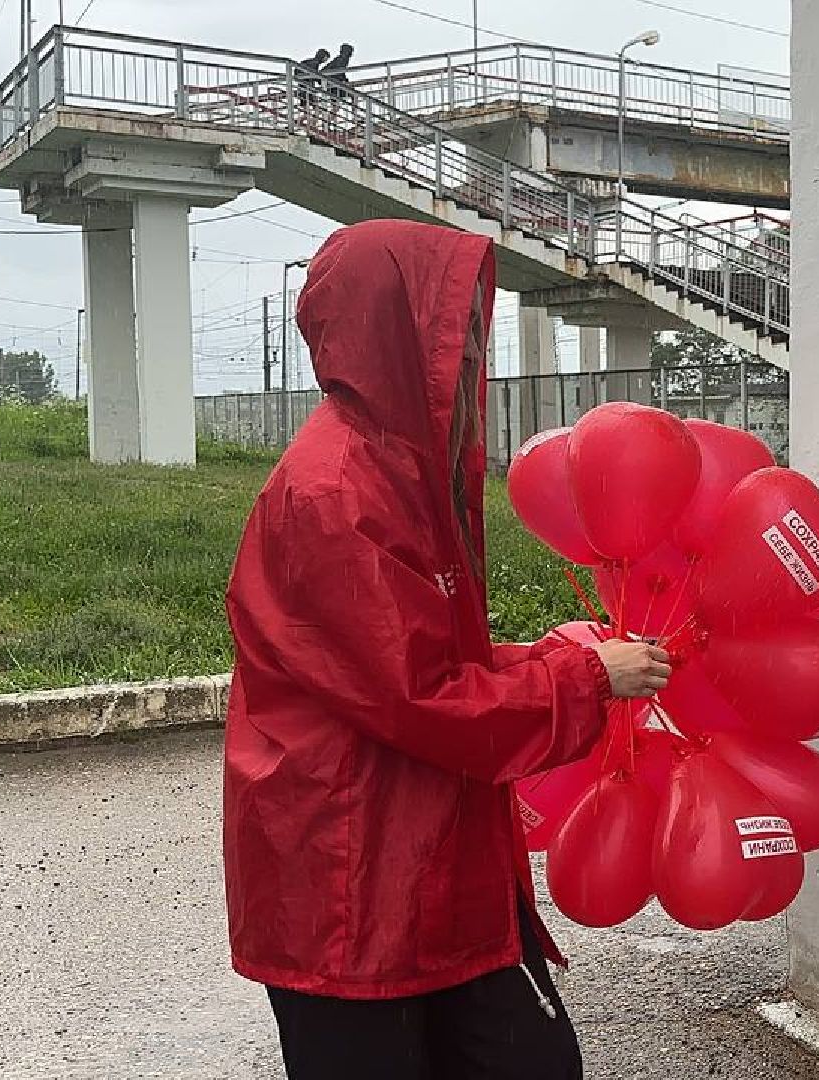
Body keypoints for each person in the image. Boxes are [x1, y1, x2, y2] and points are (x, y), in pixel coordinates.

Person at [222, 219, 670, 1079]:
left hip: (418, 857)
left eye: (472, 321)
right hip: (351, 883)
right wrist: (578, 678)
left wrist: (549, 658)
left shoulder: (403, 470)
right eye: (446, 324)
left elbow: (430, 654)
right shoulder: (335, 493)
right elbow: (418, 697)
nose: (470, 347)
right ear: (390, 333)